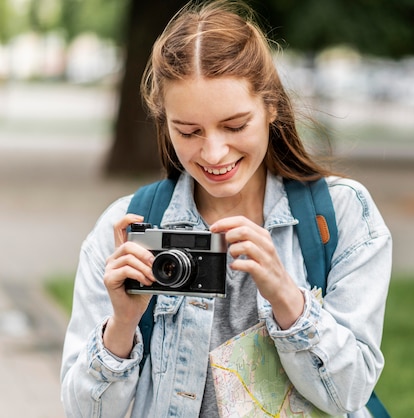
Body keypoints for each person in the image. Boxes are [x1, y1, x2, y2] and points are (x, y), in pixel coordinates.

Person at [60, 1, 392, 416]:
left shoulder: (342, 215)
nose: (214, 153)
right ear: (165, 124)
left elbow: (349, 394)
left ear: (271, 107)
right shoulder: (124, 228)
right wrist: (122, 326)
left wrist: (288, 298)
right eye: (189, 131)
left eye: (235, 126)